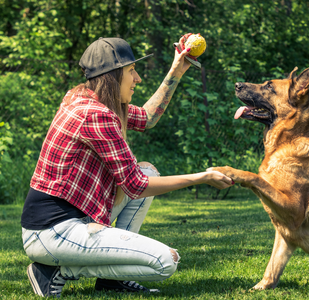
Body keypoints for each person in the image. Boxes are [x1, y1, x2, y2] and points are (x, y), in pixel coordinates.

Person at [21, 35, 233, 298]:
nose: (138, 79)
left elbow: (147, 117)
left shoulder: (86, 99)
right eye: (131, 71)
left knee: (148, 171)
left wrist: (178, 68)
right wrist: (201, 177)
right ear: (112, 75)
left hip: (67, 221)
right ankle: (56, 272)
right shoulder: (96, 115)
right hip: (52, 231)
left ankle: (110, 281)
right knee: (165, 261)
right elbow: (135, 186)